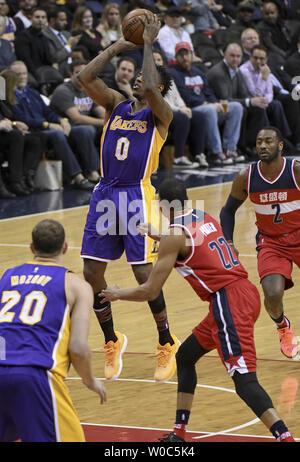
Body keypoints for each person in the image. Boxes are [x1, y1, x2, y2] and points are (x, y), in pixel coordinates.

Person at [101, 177, 295, 443]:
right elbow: (190, 241)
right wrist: (156, 233)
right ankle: (179, 433)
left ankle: (284, 436)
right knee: (186, 356)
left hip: (229, 304)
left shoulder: (173, 235)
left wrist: (116, 294)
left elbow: (150, 291)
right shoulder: (203, 217)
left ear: (160, 204)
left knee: (244, 379)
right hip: (241, 294)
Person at [78, 13, 180, 383]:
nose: (138, 79)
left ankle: (166, 341)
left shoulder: (161, 115)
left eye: (144, 76)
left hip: (137, 195)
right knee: (92, 274)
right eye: (135, 75)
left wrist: (149, 42)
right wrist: (118, 46)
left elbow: (152, 90)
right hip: (106, 192)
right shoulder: (115, 106)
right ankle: (111, 339)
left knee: (142, 273)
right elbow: (84, 78)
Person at [0, 219, 106, 442]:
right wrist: (90, 380)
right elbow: (77, 347)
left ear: (31, 248)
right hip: (35, 373)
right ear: (65, 247)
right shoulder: (76, 285)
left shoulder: (6, 277)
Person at [220, 126, 300, 359]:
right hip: (272, 242)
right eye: (259, 142)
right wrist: (228, 242)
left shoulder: (295, 171)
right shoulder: (246, 177)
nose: (263, 146)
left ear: (280, 145)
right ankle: (283, 327)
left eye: (269, 141)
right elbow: (227, 212)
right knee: (272, 294)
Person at [10, 60, 96, 190]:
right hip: (36, 131)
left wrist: (62, 120)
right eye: (18, 74)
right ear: (11, 76)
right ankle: (77, 176)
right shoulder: (9, 96)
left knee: (84, 130)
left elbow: (48, 112)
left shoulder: (32, 92)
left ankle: (93, 173)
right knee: (57, 134)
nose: (22, 77)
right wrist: (47, 124)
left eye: (24, 73)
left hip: (49, 127)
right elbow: (22, 119)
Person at [170, 41, 244, 165]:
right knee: (210, 110)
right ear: (176, 57)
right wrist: (207, 104)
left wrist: (215, 102)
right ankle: (216, 152)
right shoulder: (174, 73)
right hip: (192, 110)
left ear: (192, 55)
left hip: (209, 106)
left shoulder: (198, 71)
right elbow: (184, 96)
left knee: (236, 107)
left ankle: (229, 149)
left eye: (186, 54)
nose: (184, 57)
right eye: (180, 55)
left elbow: (208, 91)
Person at [207, 42, 268, 153]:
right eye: (232, 56)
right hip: (218, 106)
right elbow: (225, 98)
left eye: (238, 56)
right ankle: (237, 147)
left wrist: (256, 100)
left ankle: (252, 146)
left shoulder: (237, 70)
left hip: (229, 104)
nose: (235, 59)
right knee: (241, 109)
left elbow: (243, 93)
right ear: (224, 55)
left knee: (258, 109)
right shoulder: (218, 73)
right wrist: (249, 101)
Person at [50, 58, 105, 163]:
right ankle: (92, 172)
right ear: (71, 75)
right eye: (78, 72)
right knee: (87, 130)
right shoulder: (63, 90)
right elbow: (77, 119)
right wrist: (104, 122)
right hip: (68, 128)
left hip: (88, 126)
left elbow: (101, 111)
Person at [239, 44, 292, 140]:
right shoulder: (244, 71)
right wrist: (263, 78)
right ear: (250, 57)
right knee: (261, 108)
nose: (258, 61)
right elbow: (254, 93)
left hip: (262, 101)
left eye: (261, 58)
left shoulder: (265, 69)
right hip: (250, 101)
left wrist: (266, 100)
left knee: (277, 104)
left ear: (266, 59)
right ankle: (268, 139)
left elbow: (269, 92)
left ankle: (284, 138)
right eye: (255, 58)